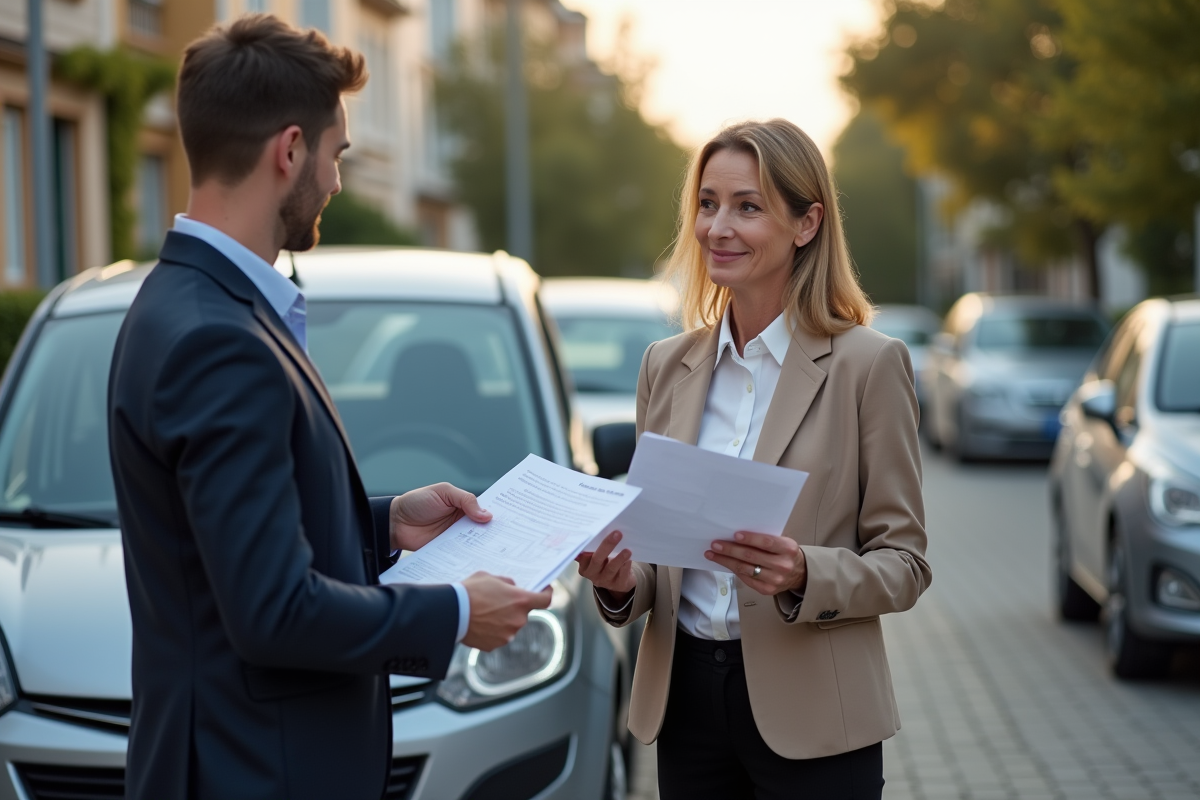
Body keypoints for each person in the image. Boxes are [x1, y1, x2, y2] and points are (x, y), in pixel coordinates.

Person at [107, 15, 550, 800]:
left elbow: (221, 549)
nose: (338, 181)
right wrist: (452, 611)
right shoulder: (219, 337)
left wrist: (381, 525)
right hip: (256, 773)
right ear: (289, 151)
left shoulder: (175, 300)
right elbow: (272, 611)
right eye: (336, 154)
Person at [577, 119, 931, 799]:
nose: (718, 227)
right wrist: (621, 582)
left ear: (806, 224)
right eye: (708, 204)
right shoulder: (666, 365)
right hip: (685, 708)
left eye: (748, 206)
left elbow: (906, 565)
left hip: (816, 714)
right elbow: (658, 563)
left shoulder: (869, 365)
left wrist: (804, 571)